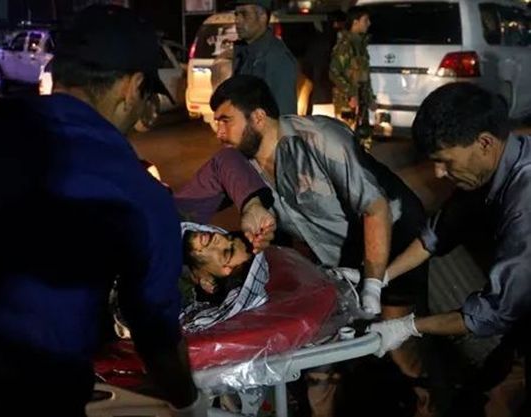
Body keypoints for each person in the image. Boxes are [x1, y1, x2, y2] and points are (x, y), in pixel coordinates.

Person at [0, 6, 206, 417]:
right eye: (147, 97)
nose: (146, 111)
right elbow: (156, 333)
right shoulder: (139, 194)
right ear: (132, 86)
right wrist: (189, 402)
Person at [179, 74, 434, 416]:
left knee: (399, 350)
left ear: (258, 117)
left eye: (226, 121)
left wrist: (374, 283)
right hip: (339, 265)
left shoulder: (320, 138)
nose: (218, 132)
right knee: (319, 366)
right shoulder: (245, 168)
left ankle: (429, 401)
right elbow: (190, 206)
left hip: (394, 247)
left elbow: (375, 208)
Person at [369, 82, 531, 415]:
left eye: (444, 161)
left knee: (497, 401)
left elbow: (494, 312)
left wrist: (407, 327)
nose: (438, 173)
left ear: (484, 143)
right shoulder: (489, 166)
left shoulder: (525, 202)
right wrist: (381, 277)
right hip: (520, 313)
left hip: (514, 310)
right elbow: (438, 233)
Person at [230, 0, 297, 115]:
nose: (237, 21)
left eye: (244, 14)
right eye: (236, 14)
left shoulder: (277, 58)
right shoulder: (244, 54)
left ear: (262, 17)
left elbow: (284, 114)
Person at [329, 6, 375, 150]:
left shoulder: (360, 45)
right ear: (355, 22)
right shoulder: (345, 45)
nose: (369, 23)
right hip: (347, 101)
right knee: (345, 139)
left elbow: (364, 75)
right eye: (365, 20)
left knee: (363, 139)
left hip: (361, 100)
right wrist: (351, 93)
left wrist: (370, 98)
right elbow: (334, 73)